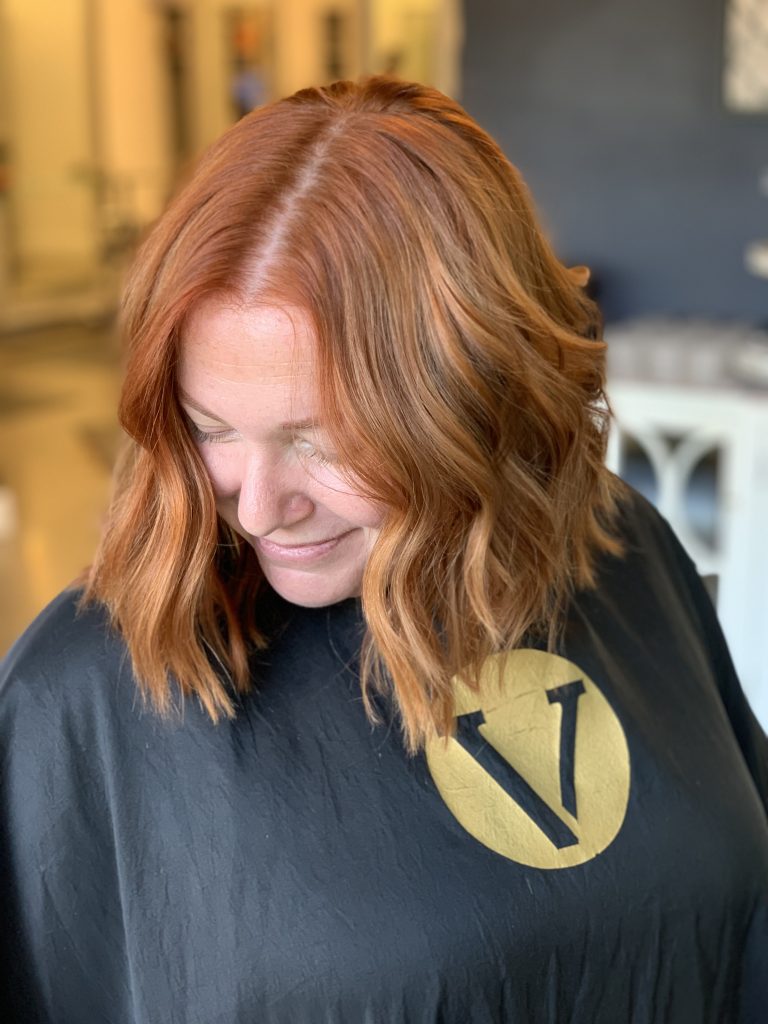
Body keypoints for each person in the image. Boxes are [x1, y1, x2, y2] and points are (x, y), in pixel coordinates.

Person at [1, 76, 766, 1024]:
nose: (259, 505)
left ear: (475, 399)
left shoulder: (621, 552)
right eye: (209, 427)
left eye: (322, 440)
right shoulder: (81, 696)